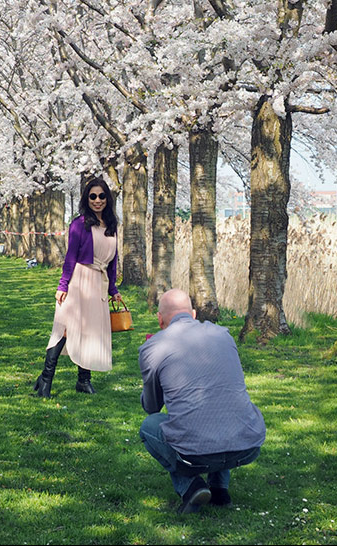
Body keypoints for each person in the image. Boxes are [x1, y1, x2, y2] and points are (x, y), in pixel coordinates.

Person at [137, 289, 266, 513]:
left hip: (195, 453)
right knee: (219, 406)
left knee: (150, 426)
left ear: (160, 319)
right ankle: (219, 491)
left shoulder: (153, 347)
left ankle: (191, 487)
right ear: (194, 314)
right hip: (247, 445)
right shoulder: (224, 334)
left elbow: (151, 407)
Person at [31, 177, 124, 397]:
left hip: (98, 285)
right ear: (87, 198)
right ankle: (46, 379)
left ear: (107, 199)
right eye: (93, 196)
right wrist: (63, 285)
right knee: (65, 328)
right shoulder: (79, 224)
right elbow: (70, 257)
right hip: (79, 280)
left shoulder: (112, 226)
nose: (98, 200)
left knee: (91, 330)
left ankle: (84, 380)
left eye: (102, 196)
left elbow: (113, 262)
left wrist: (113, 290)